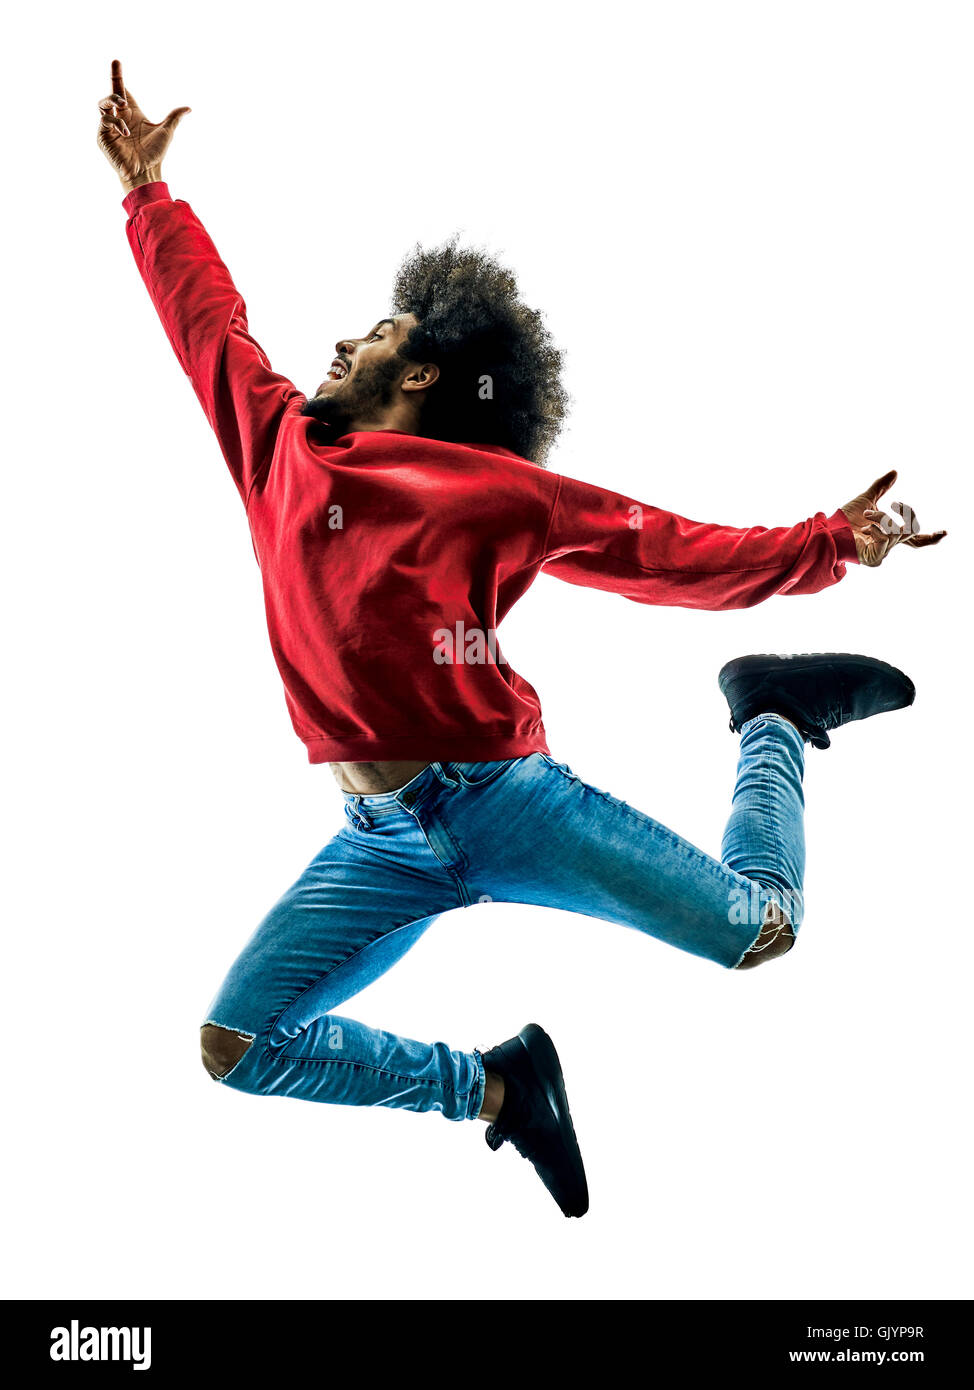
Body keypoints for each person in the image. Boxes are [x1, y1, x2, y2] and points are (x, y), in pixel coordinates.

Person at [97, 61, 946, 1218]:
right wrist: (150, 192)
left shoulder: (489, 490)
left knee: (759, 932)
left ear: (425, 372)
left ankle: (773, 720)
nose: (342, 341)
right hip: (376, 842)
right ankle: (497, 1088)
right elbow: (209, 324)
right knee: (239, 1043)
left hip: (504, 799)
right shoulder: (281, 448)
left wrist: (829, 543)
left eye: (380, 329)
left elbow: (667, 551)